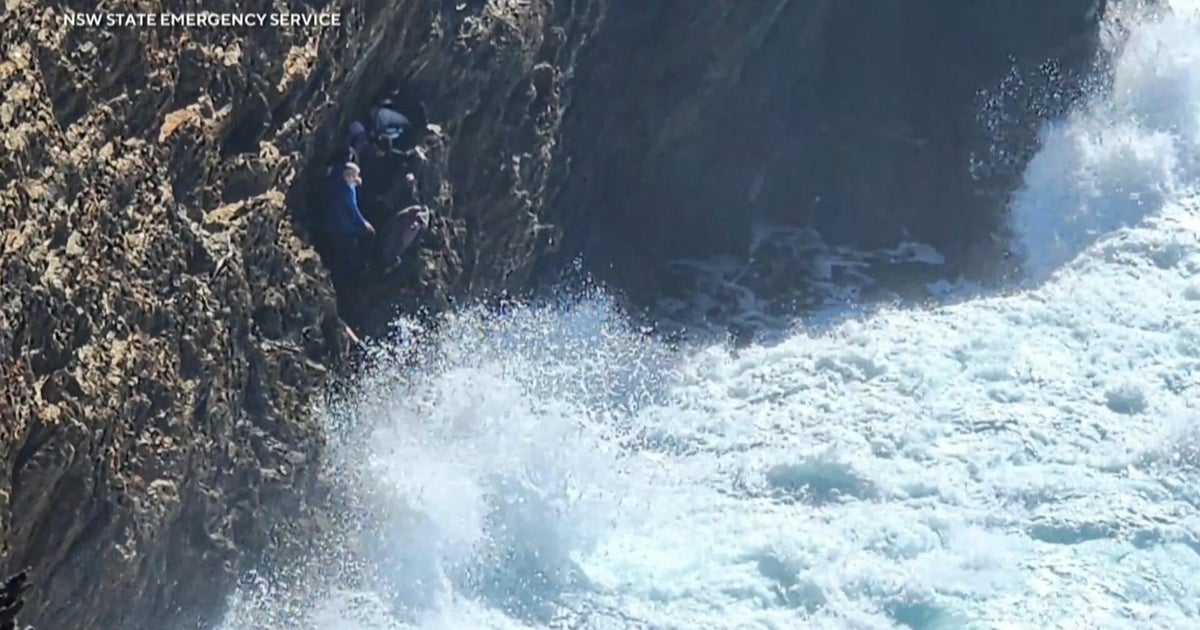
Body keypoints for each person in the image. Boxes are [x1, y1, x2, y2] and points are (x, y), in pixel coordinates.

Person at [326, 163, 375, 282]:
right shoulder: (344, 192)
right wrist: (364, 224)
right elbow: (353, 211)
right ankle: (358, 271)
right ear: (346, 176)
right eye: (353, 176)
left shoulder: (346, 184)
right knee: (352, 246)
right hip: (340, 226)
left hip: (337, 223)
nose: (355, 178)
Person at [380, 204, 431, 274]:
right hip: (395, 236)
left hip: (398, 244)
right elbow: (395, 219)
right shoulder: (406, 216)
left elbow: (416, 240)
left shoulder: (418, 227)